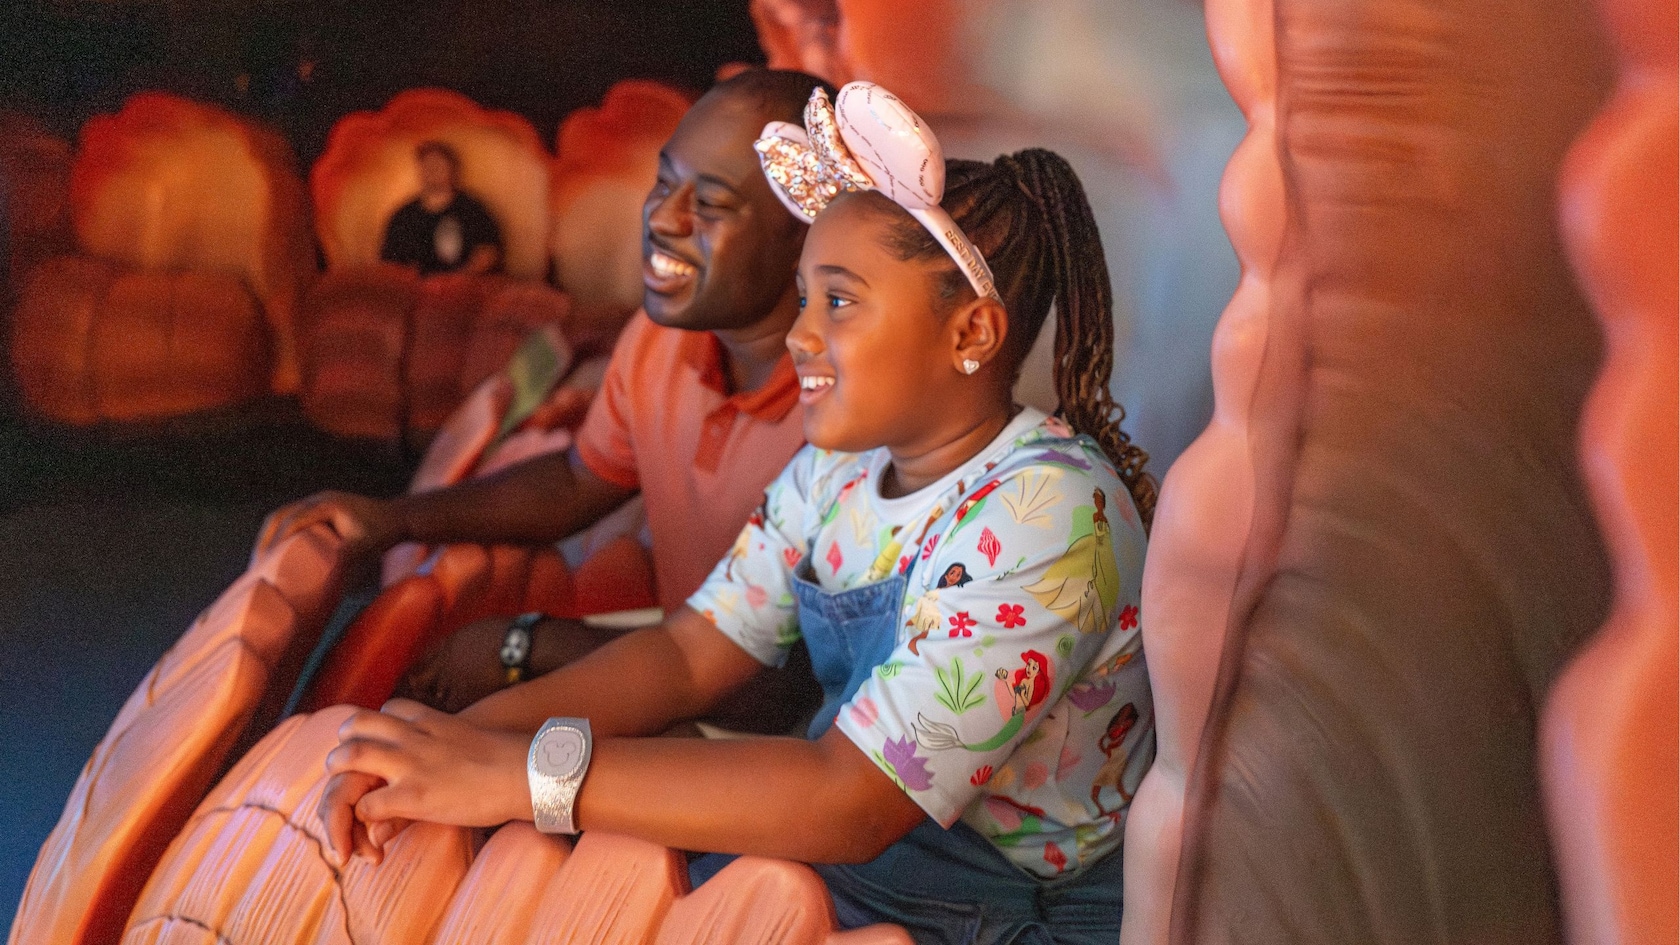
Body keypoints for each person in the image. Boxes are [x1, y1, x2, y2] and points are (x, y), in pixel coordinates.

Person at [317, 82, 1157, 945]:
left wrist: (522, 772)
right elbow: (687, 652)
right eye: (802, 299)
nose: (797, 337)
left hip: (997, 905)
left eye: (838, 300)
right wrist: (458, 742)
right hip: (860, 848)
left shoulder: (1050, 513)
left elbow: (848, 799)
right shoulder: (836, 471)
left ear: (972, 334)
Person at [259, 70, 835, 724]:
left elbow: (786, 686)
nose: (662, 219)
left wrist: (526, 646)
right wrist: (393, 519)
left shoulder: (854, 414)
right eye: (666, 183)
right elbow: (575, 481)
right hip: (688, 672)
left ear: (808, 238)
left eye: (711, 203)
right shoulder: (660, 340)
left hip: (788, 745)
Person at [379, 140, 504, 275]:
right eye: (427, 166)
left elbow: (489, 253)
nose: (433, 170)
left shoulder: (472, 210)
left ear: (453, 169)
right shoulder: (404, 216)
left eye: (439, 165)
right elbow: (389, 263)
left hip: (463, 288)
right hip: (415, 291)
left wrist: (459, 280)